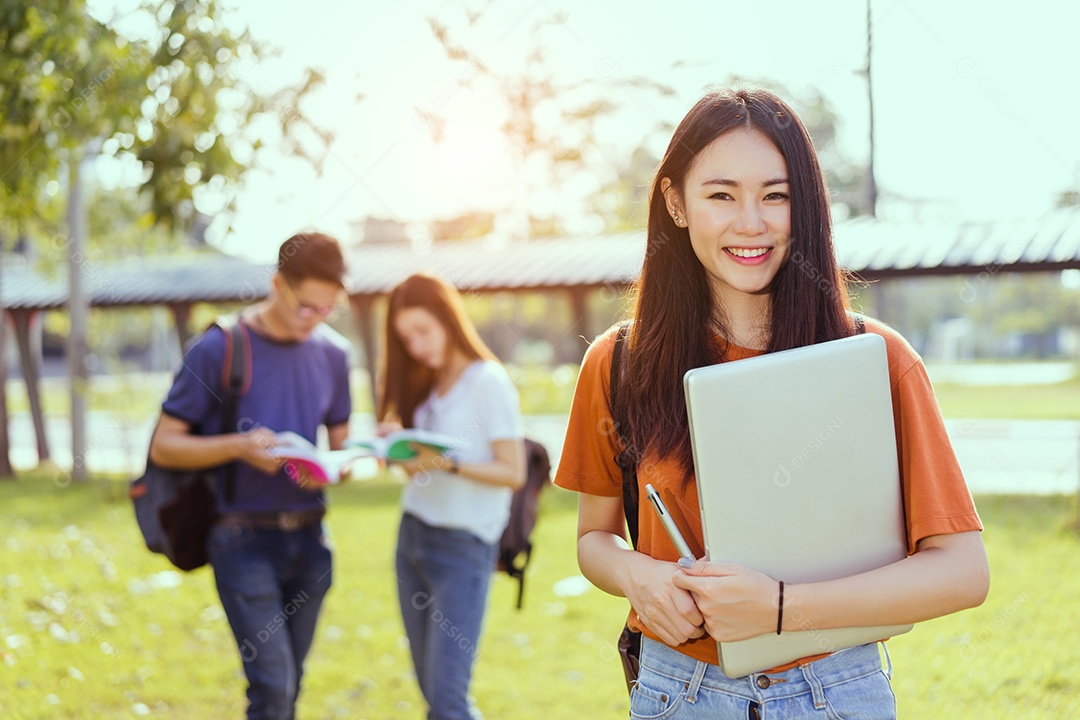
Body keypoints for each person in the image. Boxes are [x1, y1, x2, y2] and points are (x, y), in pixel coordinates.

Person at [554, 87, 990, 719]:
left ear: (804, 205)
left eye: (776, 196)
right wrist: (637, 576)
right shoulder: (619, 362)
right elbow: (595, 538)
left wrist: (782, 608)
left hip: (835, 690)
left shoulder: (876, 360)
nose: (751, 223)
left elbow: (963, 573)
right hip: (680, 692)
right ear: (676, 204)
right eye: (721, 195)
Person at [149, 232, 352, 720]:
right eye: (306, 306)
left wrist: (332, 470)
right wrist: (239, 446)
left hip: (312, 542)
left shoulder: (334, 354)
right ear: (277, 284)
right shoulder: (217, 348)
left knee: (288, 689)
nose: (315, 319)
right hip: (242, 540)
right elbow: (164, 445)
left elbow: (341, 449)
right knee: (273, 689)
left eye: (328, 309)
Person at [376, 272, 526, 720]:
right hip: (413, 539)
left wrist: (447, 463)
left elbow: (513, 472)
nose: (416, 346)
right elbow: (417, 469)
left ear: (447, 318)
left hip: (463, 548)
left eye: (423, 330)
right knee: (432, 694)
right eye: (406, 339)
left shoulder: (487, 381)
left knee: (448, 700)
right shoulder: (425, 380)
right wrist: (397, 449)